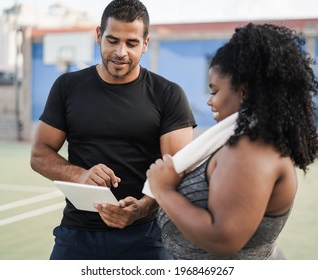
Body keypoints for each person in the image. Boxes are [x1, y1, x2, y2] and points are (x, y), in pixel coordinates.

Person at [30, 0, 196, 260]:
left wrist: (143, 207)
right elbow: (39, 154)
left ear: (145, 43)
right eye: (112, 40)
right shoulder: (67, 86)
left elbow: (177, 170)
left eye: (131, 43)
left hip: (146, 234)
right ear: (99, 36)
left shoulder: (168, 94)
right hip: (77, 234)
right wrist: (81, 175)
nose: (120, 52)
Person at [146, 23, 318, 260]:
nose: (210, 101)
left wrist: (164, 190)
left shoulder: (252, 149)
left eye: (215, 90)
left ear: (244, 91)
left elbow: (223, 239)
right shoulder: (239, 141)